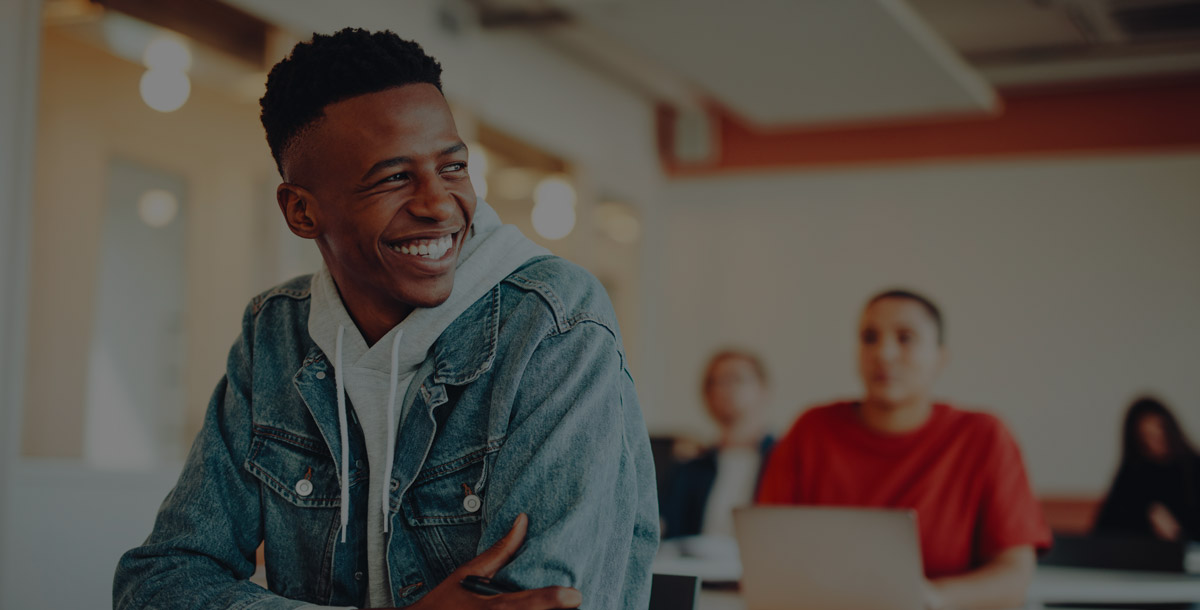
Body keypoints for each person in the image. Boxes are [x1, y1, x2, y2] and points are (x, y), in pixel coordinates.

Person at [113, 28, 658, 610]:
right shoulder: (276, 333)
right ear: (301, 210)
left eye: (452, 168)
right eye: (394, 177)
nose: (439, 204)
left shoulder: (554, 320)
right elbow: (158, 582)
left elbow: (549, 600)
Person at [757, 289, 1051, 610]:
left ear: (940, 357)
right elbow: (767, 556)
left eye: (906, 338)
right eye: (869, 337)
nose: (883, 353)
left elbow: (1015, 574)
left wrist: (932, 598)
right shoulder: (811, 430)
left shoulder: (984, 436)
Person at [659, 349, 774, 540]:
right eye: (715, 382)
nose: (725, 389)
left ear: (763, 389)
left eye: (736, 379)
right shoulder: (690, 468)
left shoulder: (785, 462)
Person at [1094, 397, 1200, 542]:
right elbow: (1104, 534)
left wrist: (1178, 533)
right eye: (1147, 438)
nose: (1155, 444)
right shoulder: (1132, 474)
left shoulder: (1193, 468)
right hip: (1139, 559)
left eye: (1159, 435)